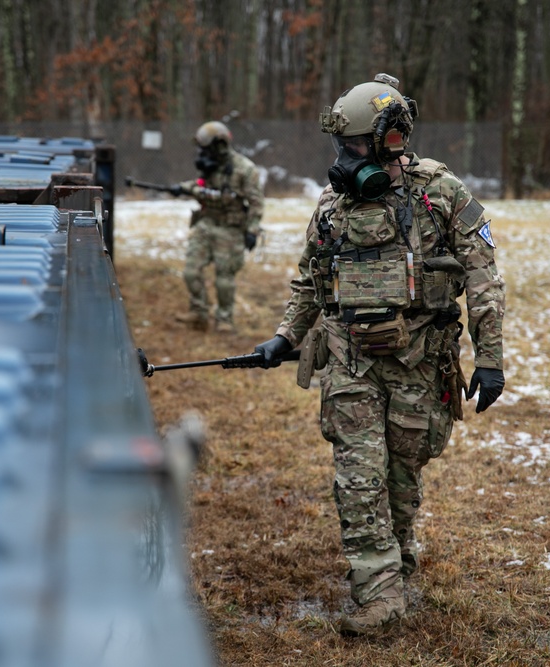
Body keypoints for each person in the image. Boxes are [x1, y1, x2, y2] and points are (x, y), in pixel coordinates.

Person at [253, 73, 506, 635]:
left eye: (355, 147)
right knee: (358, 475)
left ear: (392, 140)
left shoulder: (442, 194)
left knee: (401, 473)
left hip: (420, 359)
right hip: (350, 362)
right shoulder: (332, 203)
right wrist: (286, 336)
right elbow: (310, 280)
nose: (344, 160)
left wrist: (490, 358)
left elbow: (484, 279)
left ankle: (398, 560)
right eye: (340, 147)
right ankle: (379, 591)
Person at [172, 121, 265, 333]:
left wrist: (252, 231)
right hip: (205, 223)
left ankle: (224, 319)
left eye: (205, 148)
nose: (201, 153)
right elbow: (201, 186)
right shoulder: (209, 166)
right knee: (190, 271)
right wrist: (182, 188)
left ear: (219, 145)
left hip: (230, 229)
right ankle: (199, 312)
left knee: (224, 279)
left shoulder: (245, 169)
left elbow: (256, 202)